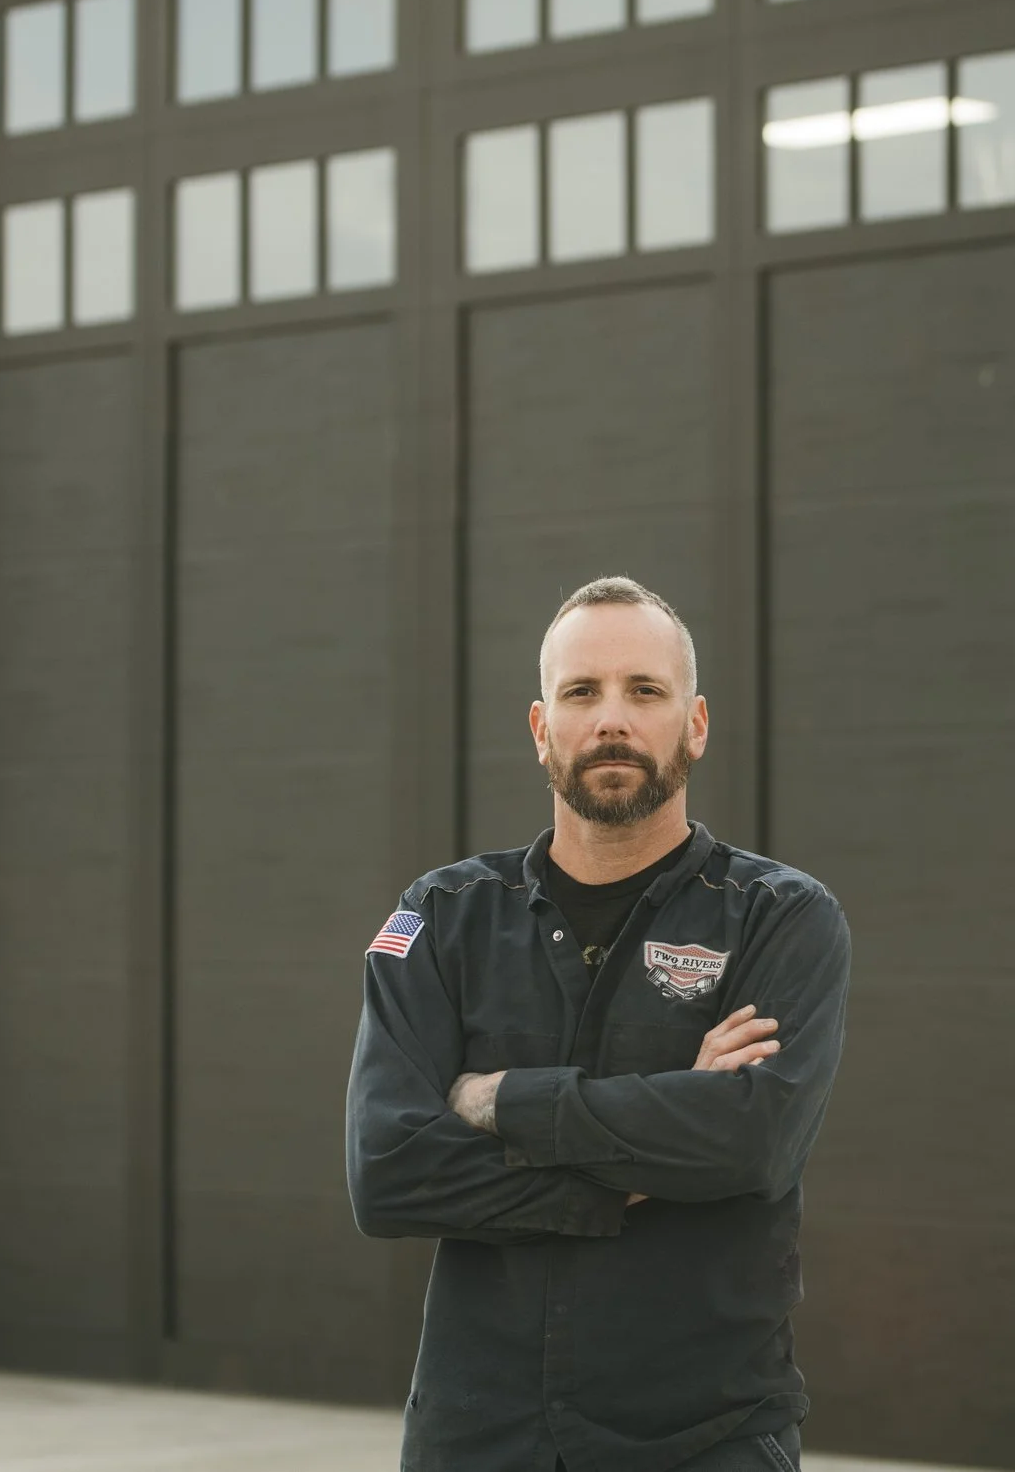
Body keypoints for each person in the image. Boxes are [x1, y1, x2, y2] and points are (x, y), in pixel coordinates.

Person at [346, 576, 851, 1472]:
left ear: (695, 723)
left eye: (644, 690)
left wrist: (501, 1100)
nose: (612, 719)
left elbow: (751, 1142)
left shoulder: (779, 916)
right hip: (479, 1438)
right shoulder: (444, 915)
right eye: (582, 691)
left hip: (705, 1435)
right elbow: (388, 1170)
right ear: (542, 729)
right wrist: (641, 1156)